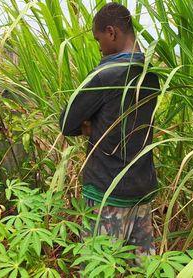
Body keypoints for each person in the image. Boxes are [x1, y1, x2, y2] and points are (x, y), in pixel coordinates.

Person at [59, 2, 160, 257]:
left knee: (98, 267)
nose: (99, 47)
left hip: (107, 193)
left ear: (111, 32)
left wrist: (92, 126)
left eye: (98, 39)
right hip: (142, 190)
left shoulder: (106, 75)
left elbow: (67, 123)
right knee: (143, 270)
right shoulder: (152, 75)